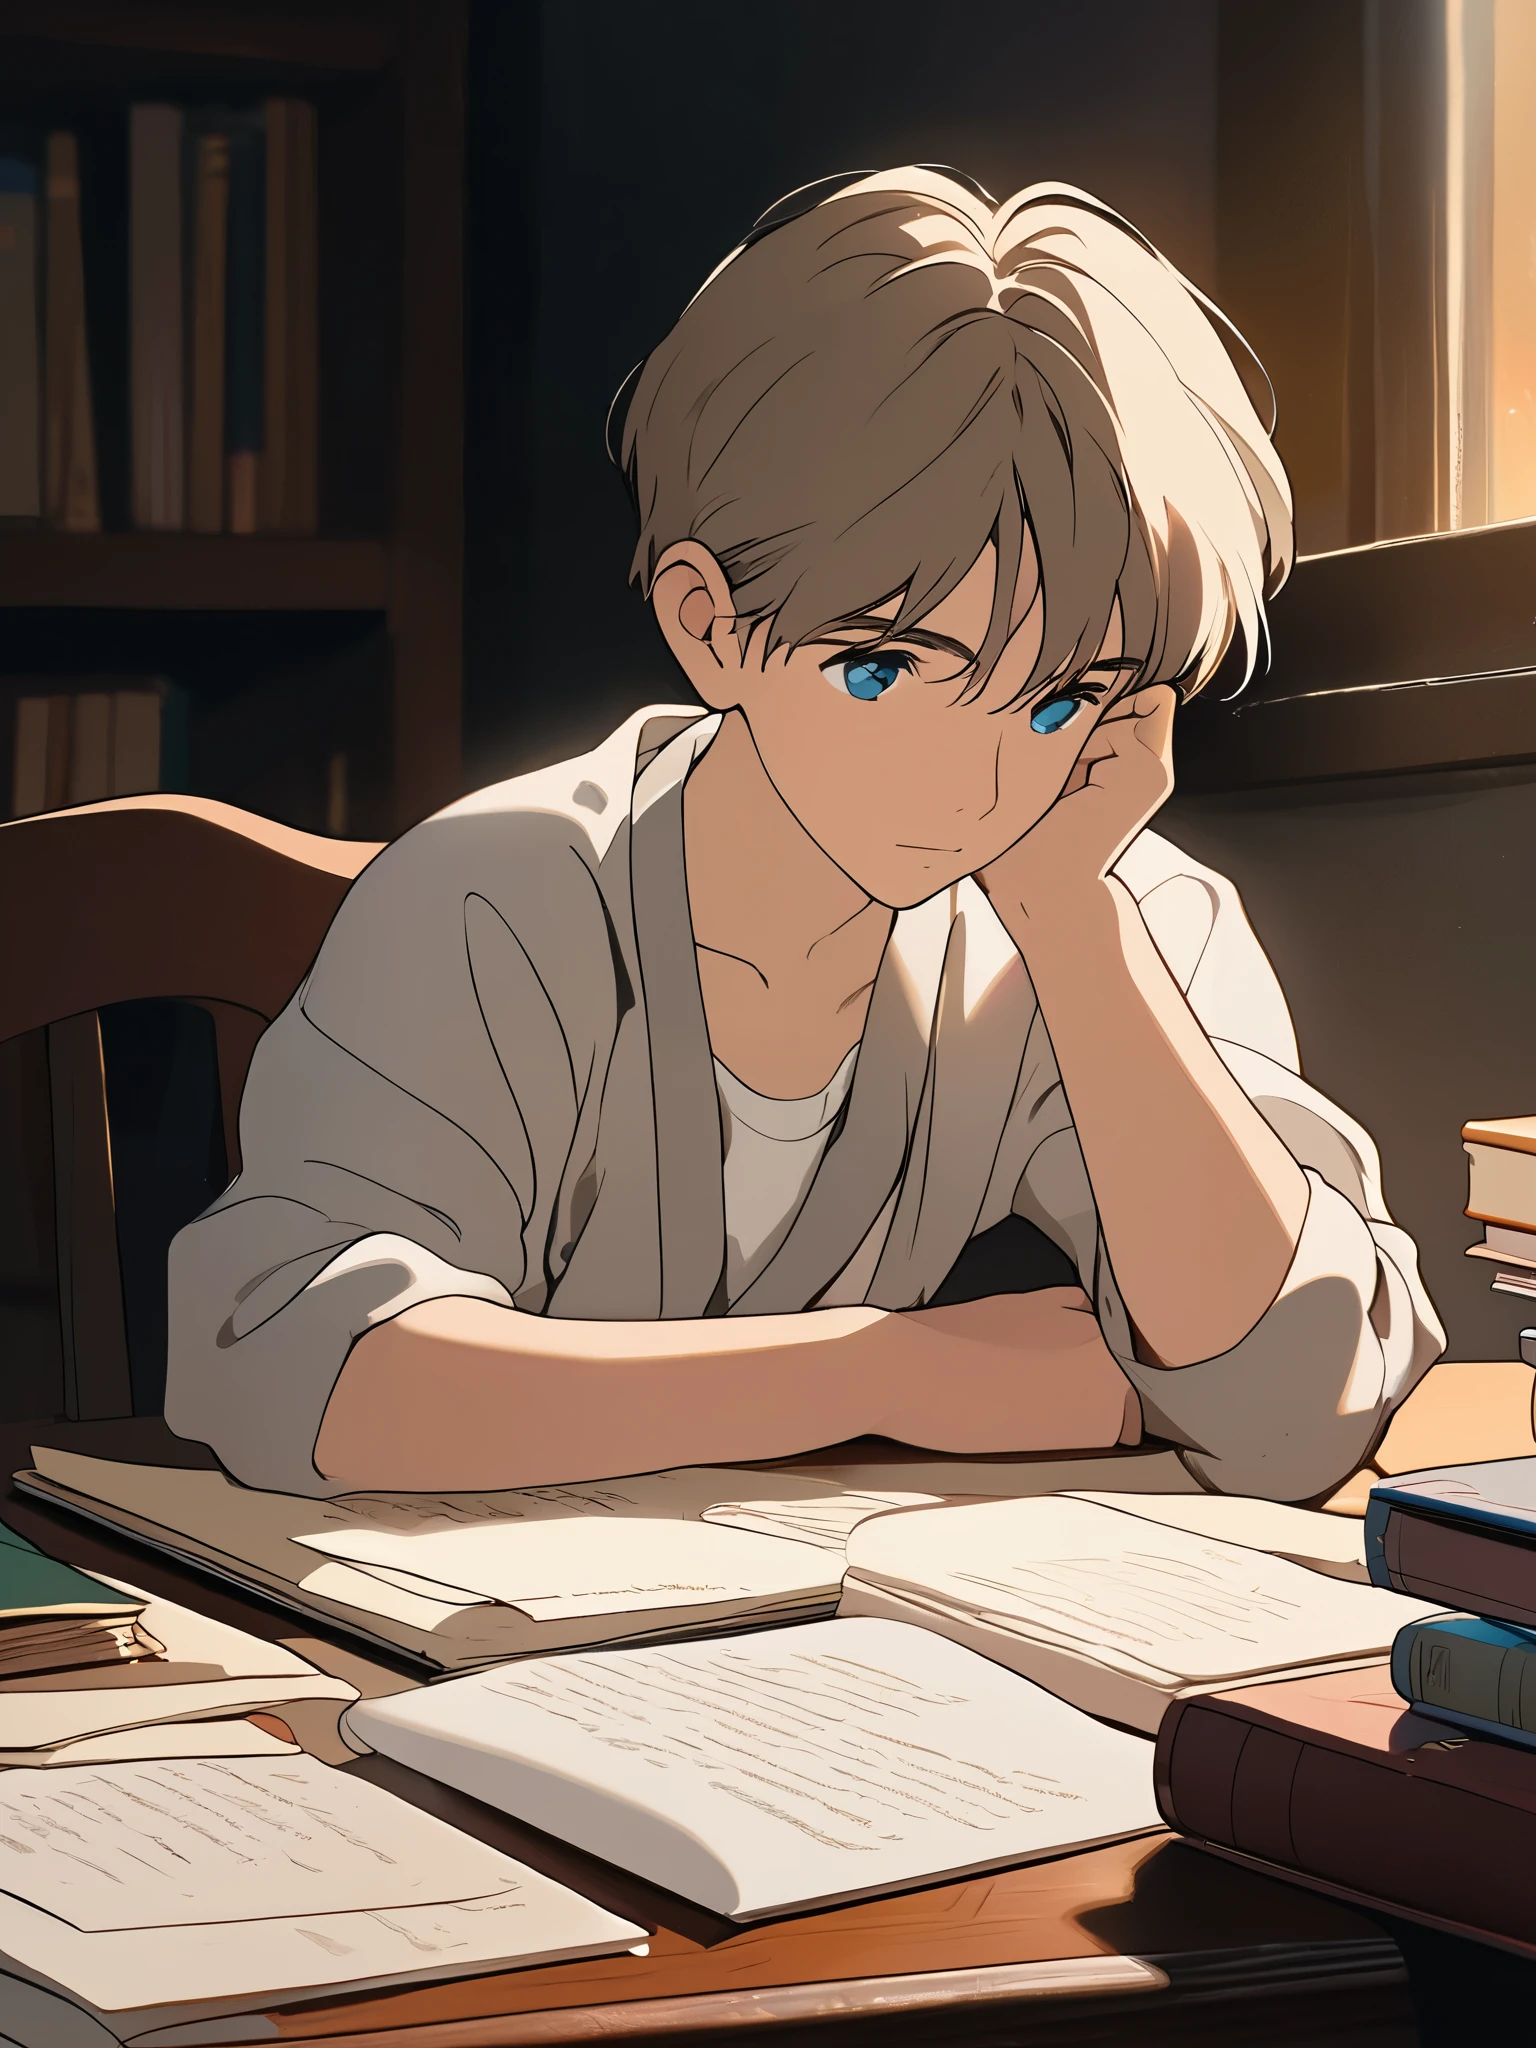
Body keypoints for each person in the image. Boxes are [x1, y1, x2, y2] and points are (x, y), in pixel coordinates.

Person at [166, 169, 1443, 1502]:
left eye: (1059, 696)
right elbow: (306, 1372)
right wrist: (884, 1372)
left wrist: (1074, 925)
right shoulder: (501, 898)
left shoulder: (1111, 917)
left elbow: (1296, 1401)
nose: (977, 782)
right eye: (885, 669)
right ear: (708, 622)